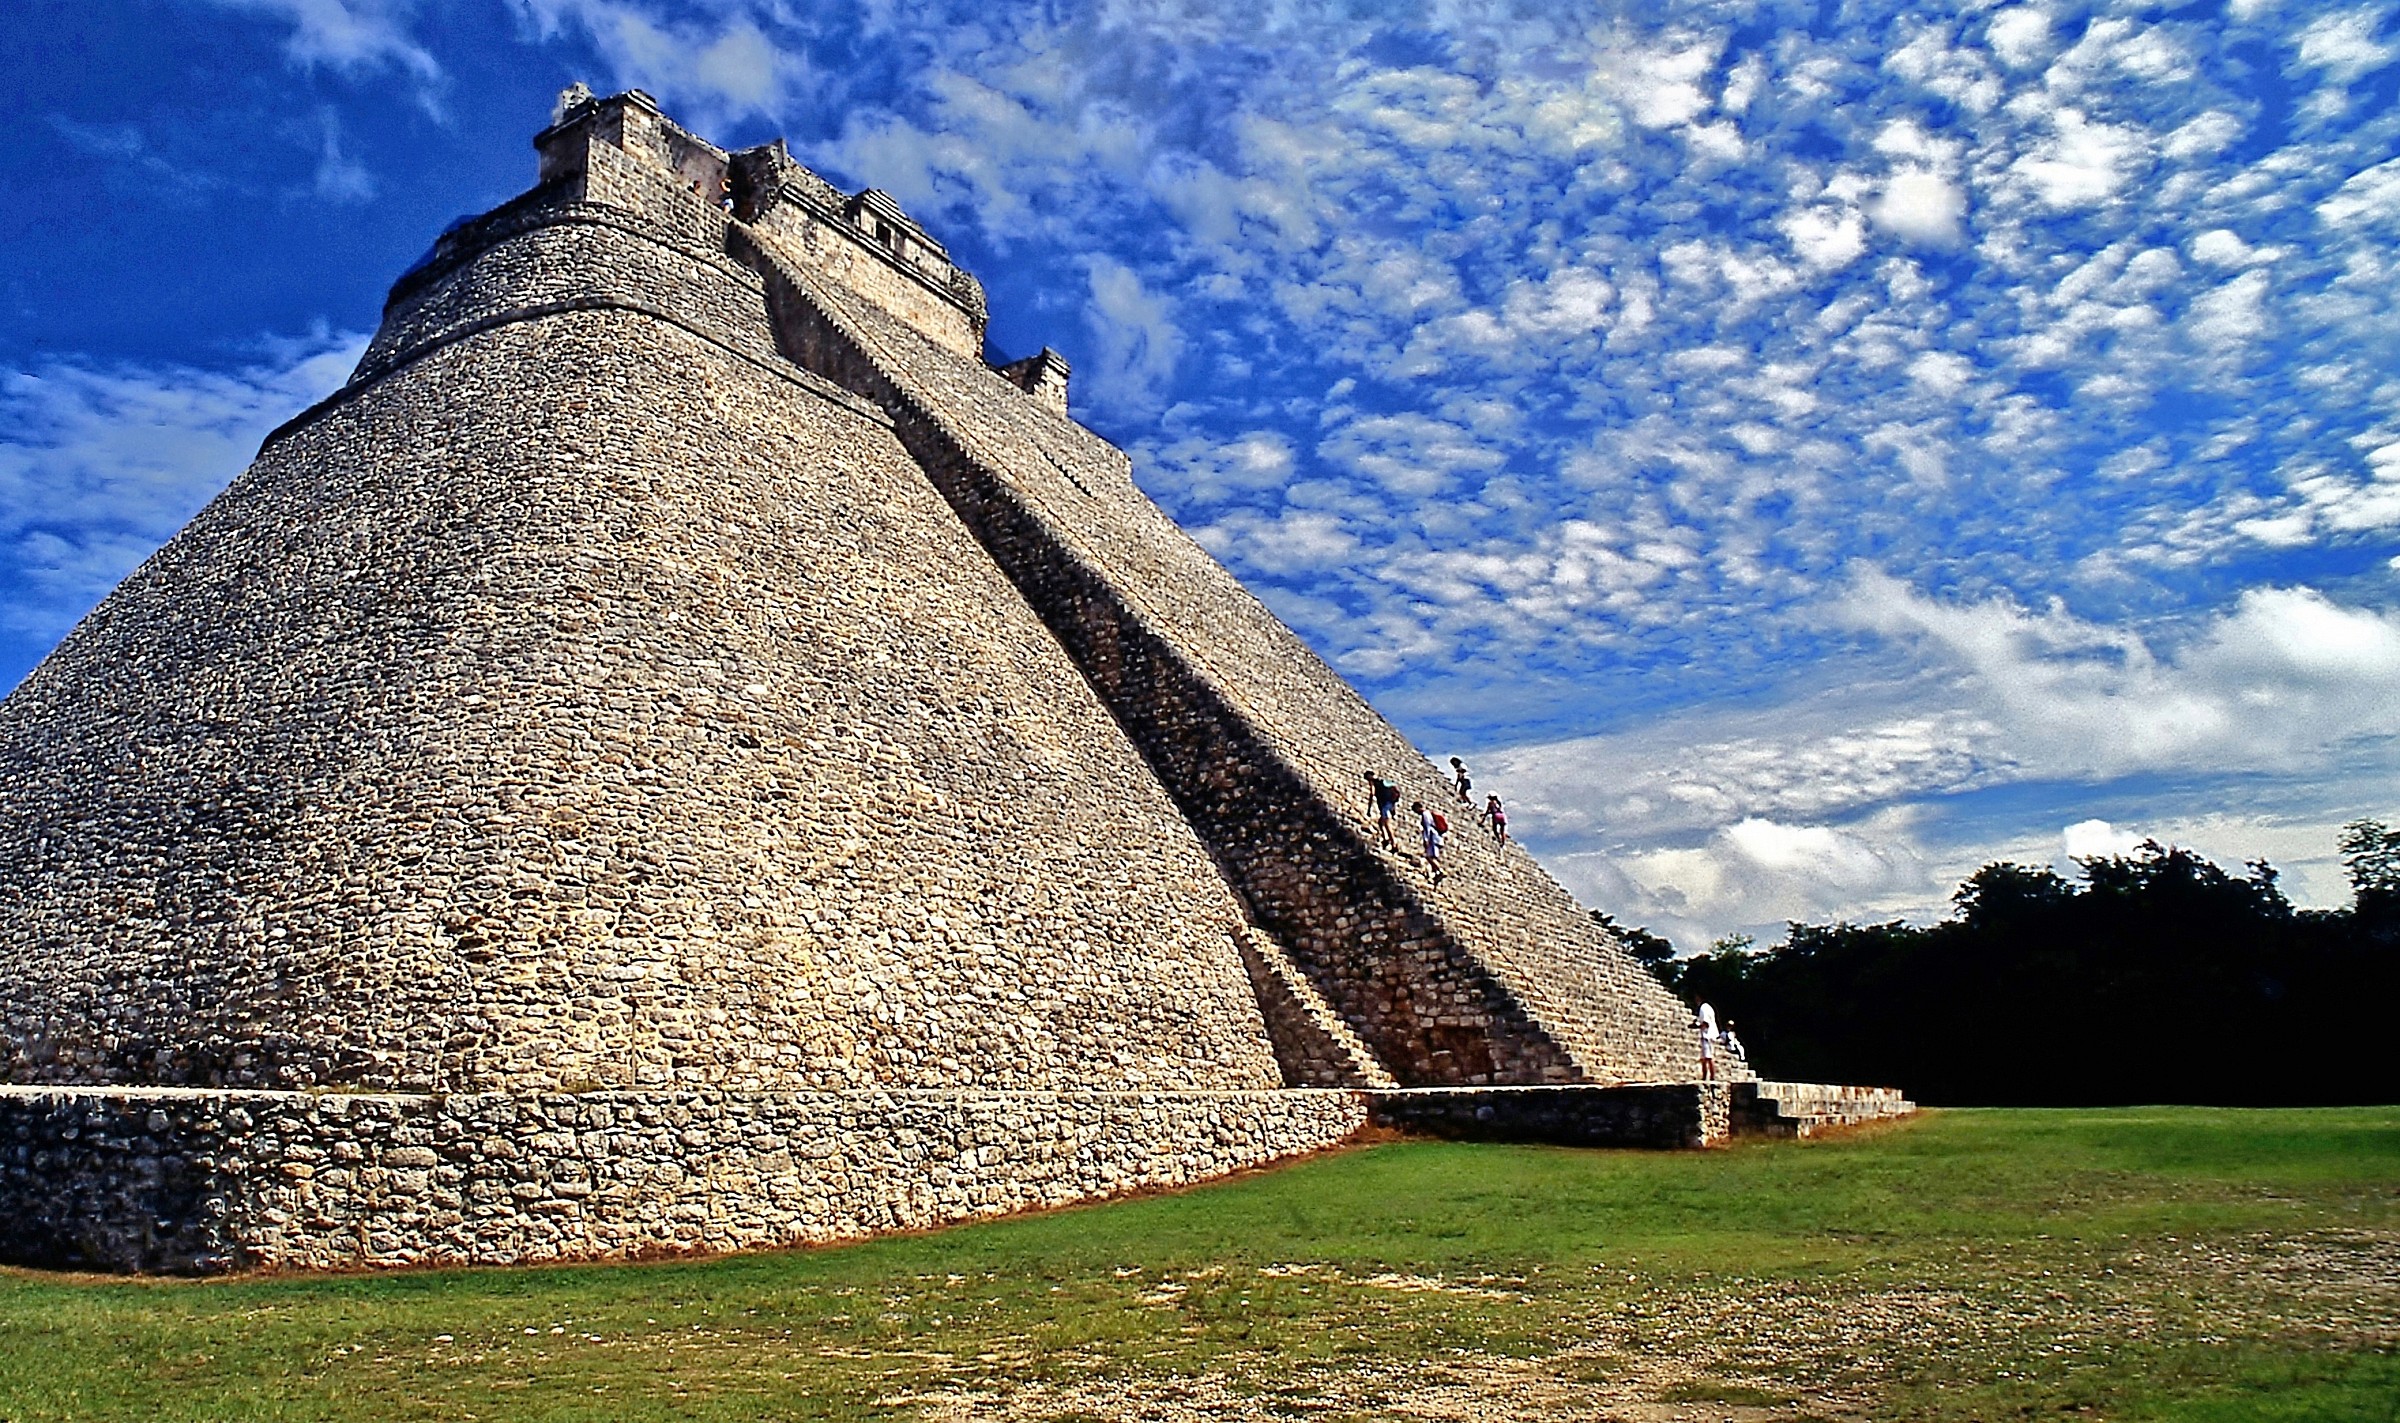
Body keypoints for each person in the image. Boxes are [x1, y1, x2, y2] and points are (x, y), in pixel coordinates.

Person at [1365, 772, 1401, 851]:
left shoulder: (1375, 783)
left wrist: (1369, 809)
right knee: (1381, 822)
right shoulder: (1384, 782)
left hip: (1385, 805)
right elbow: (1394, 789)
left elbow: (1372, 794)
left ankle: (1394, 843)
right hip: (1388, 804)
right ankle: (1386, 839)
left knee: (1387, 823)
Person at [1415, 800, 1445, 880]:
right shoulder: (1429, 814)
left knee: (1429, 856)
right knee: (1432, 856)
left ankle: (1440, 871)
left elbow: (1427, 828)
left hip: (1432, 838)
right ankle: (1436, 873)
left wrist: (1426, 839)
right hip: (1436, 837)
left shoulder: (1425, 814)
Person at [1695, 1000, 1719, 1082]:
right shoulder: (1709, 1007)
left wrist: (1696, 1025)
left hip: (1707, 1035)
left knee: (1708, 1057)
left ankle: (1710, 1076)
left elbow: (1706, 1023)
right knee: (1704, 1058)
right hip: (1710, 1035)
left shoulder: (1703, 1007)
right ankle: (1706, 1076)